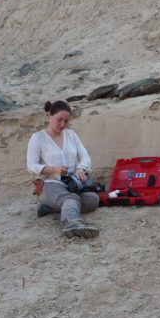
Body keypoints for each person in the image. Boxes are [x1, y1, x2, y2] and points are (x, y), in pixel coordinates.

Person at [26, 100, 100, 238]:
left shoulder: (71, 135)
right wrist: (53, 169)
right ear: (49, 115)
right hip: (50, 184)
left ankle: (49, 207)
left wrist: (80, 168)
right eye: (59, 120)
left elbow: (85, 156)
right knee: (70, 199)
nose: (63, 124)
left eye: (66, 121)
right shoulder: (38, 138)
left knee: (93, 200)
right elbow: (31, 166)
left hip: (72, 183)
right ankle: (72, 225)